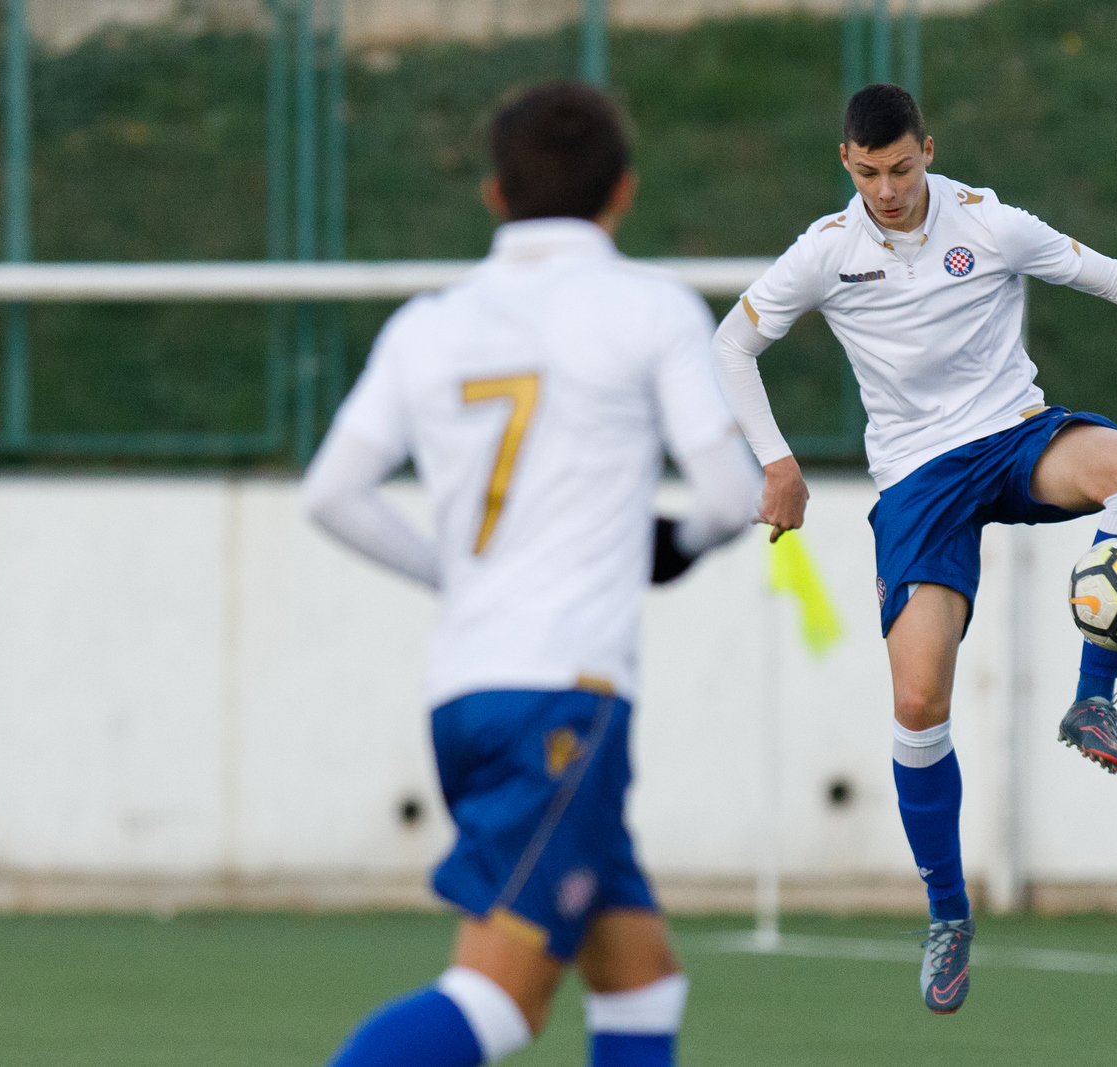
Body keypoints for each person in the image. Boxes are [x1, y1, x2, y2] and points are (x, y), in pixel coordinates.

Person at [714, 83, 1117, 1015]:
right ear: (846, 164)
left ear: (929, 151)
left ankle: (1093, 700)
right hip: (918, 482)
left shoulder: (990, 224)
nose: (889, 190)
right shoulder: (824, 253)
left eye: (903, 168)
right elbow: (731, 346)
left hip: (1015, 435)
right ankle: (948, 914)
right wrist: (777, 461)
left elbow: (1111, 274)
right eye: (869, 173)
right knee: (917, 702)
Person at [302, 82, 761, 1067]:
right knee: (497, 996)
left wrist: (457, 576)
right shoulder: (649, 308)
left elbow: (331, 492)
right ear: (623, 192)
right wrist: (671, 548)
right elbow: (731, 495)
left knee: (639, 970)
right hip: (568, 696)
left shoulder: (428, 323)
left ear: (494, 194)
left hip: (466, 693)